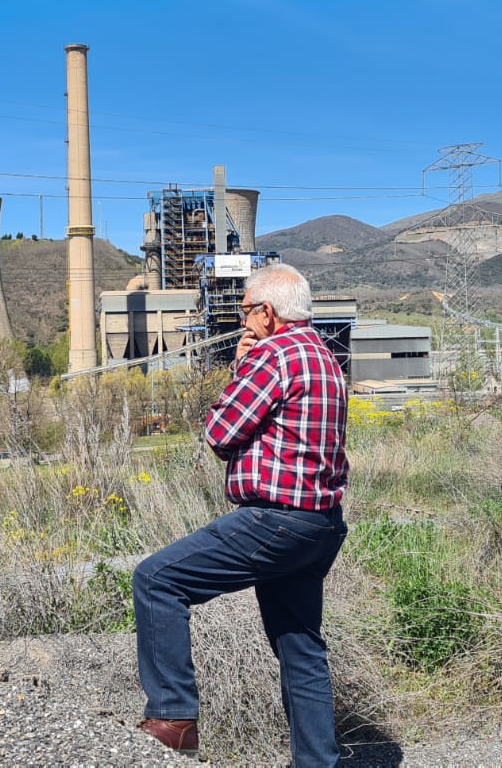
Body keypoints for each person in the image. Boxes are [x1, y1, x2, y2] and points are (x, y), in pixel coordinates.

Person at [132, 264, 349, 766]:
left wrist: (238, 369)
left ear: (268, 313)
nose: (243, 320)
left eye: (246, 310)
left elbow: (221, 434)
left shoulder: (272, 355)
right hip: (321, 523)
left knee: (157, 580)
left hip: (274, 520)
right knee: (300, 648)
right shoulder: (325, 357)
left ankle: (173, 718)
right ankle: (318, 761)